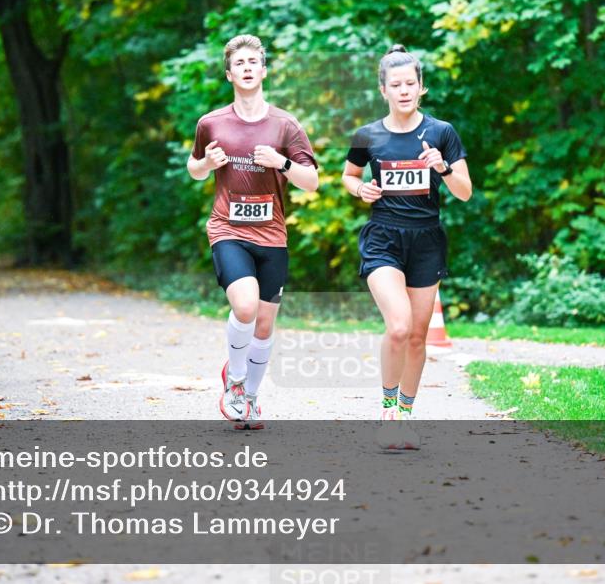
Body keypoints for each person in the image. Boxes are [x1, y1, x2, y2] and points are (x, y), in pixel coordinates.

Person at [342, 44, 472, 448]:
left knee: (417, 337)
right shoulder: (368, 135)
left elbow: (464, 192)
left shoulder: (441, 132)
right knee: (397, 326)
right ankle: (386, 410)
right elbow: (348, 175)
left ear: (422, 88)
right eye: (395, 84)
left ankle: (404, 414)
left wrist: (442, 167)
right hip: (383, 237)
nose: (403, 90)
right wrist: (360, 188)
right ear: (383, 89)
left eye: (410, 84)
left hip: (426, 240)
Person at [187, 34, 319, 429]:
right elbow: (193, 168)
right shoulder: (211, 123)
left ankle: (252, 398)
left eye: (253, 61)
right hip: (228, 228)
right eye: (239, 63)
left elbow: (311, 180)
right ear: (229, 73)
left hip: (272, 235)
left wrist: (281, 162)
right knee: (244, 306)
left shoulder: (285, 124)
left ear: (263, 70)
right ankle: (236, 382)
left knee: (264, 324)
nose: (246, 67)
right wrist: (207, 164)